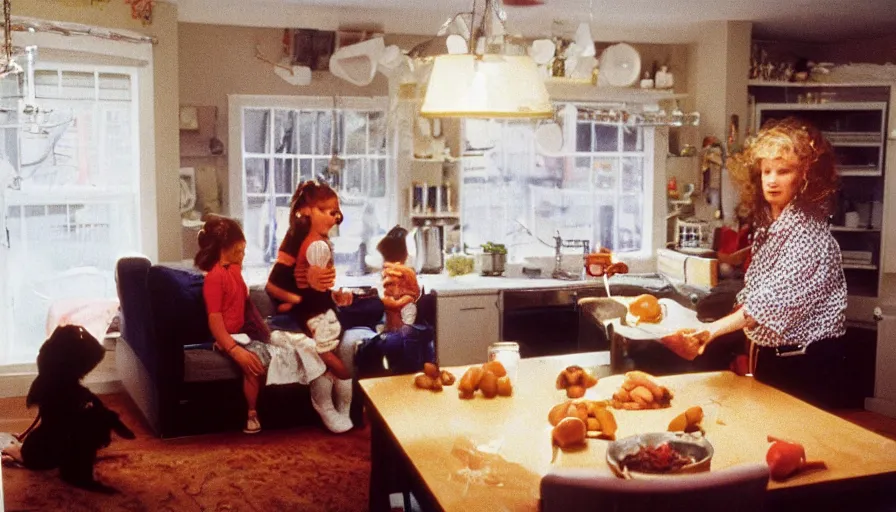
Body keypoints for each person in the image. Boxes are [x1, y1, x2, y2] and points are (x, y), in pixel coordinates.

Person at [663, 117, 847, 406]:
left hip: (804, 364)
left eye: (783, 171)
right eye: (766, 171)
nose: (772, 180)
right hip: (776, 356)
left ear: (804, 178)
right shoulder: (770, 228)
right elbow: (754, 294)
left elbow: (767, 305)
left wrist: (709, 332)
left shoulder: (808, 234)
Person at [265, 180, 356, 433]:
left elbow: (318, 286)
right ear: (306, 210)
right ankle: (334, 409)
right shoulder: (297, 238)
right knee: (334, 363)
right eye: (328, 211)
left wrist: (334, 294)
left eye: (336, 212)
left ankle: (340, 411)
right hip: (308, 316)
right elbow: (272, 285)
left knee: (332, 360)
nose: (335, 217)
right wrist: (296, 301)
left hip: (324, 311)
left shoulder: (323, 242)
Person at [195, 215, 271, 434]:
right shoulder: (214, 278)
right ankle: (252, 413)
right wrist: (234, 349)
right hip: (225, 338)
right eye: (238, 252)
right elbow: (215, 319)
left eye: (243, 252)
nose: (242, 257)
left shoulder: (234, 270)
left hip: (242, 333)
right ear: (223, 248)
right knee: (252, 364)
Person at [375, 225, 421, 332]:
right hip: (404, 316)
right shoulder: (407, 271)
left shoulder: (387, 269)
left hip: (395, 317)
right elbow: (417, 292)